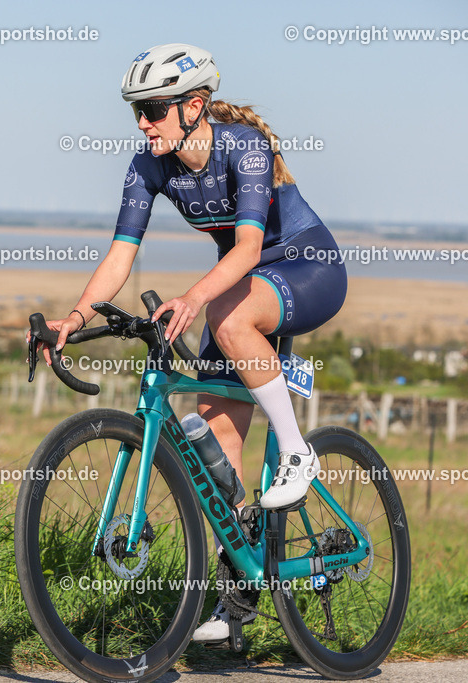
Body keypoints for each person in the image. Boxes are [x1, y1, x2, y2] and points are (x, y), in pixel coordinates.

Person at [35, 43, 347, 642]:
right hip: (237, 286)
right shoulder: (148, 165)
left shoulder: (244, 147)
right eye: (136, 113)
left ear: (194, 105)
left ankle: (296, 450)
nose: (143, 123)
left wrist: (195, 298)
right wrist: (72, 320)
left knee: (227, 320)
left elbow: (252, 250)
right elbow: (120, 255)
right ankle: (240, 595)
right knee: (215, 449)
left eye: (152, 110)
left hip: (305, 267)